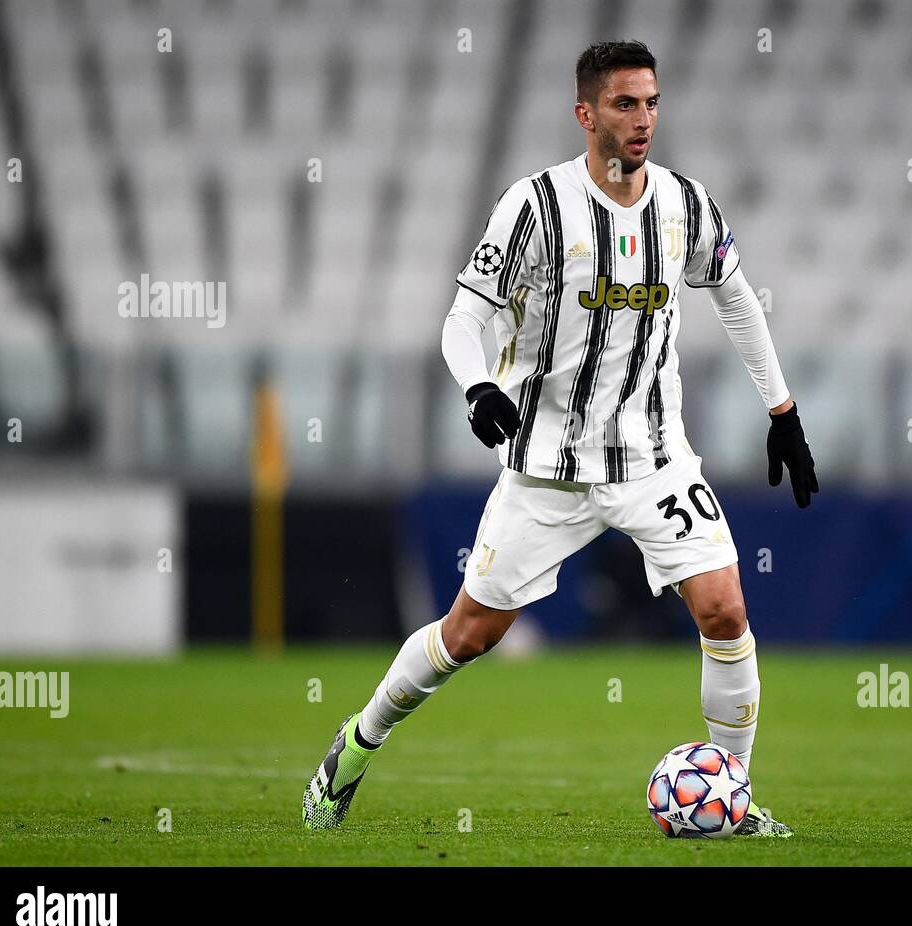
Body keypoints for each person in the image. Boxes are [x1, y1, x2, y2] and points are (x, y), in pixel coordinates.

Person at [304, 39, 817, 838]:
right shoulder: (534, 206)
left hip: (653, 458)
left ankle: (733, 797)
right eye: (624, 103)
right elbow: (462, 319)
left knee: (723, 609)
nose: (643, 119)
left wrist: (782, 413)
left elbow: (739, 299)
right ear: (585, 114)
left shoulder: (685, 204)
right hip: (547, 467)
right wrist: (478, 387)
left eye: (651, 101)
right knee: (469, 634)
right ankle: (356, 745)